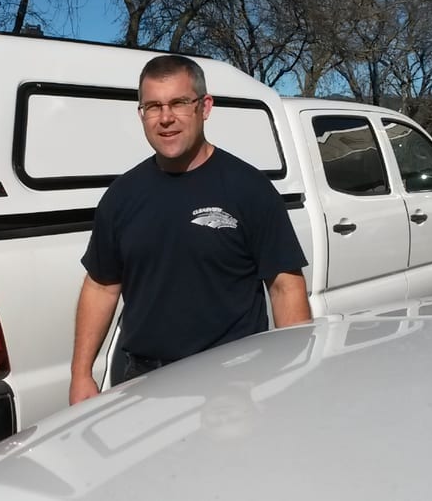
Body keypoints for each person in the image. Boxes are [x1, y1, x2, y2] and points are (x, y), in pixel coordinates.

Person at [68, 54, 311, 405]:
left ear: (204, 107)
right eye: (153, 106)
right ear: (141, 114)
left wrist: (296, 378)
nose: (166, 118)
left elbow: (285, 287)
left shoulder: (249, 188)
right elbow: (101, 286)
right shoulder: (121, 196)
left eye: (179, 103)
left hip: (231, 387)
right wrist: (80, 374)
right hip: (143, 383)